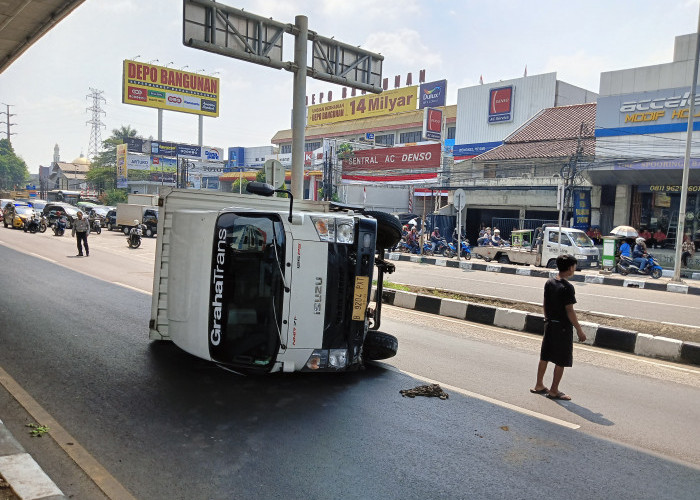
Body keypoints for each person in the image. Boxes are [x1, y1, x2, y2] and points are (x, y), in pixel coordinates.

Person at [531, 254, 586, 400]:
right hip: (562, 327)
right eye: (574, 266)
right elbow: (570, 311)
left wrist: (547, 319)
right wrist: (579, 330)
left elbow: (545, 303)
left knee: (545, 356)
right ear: (570, 268)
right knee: (561, 359)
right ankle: (554, 390)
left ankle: (539, 384)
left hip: (549, 324)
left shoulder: (550, 282)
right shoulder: (567, 287)